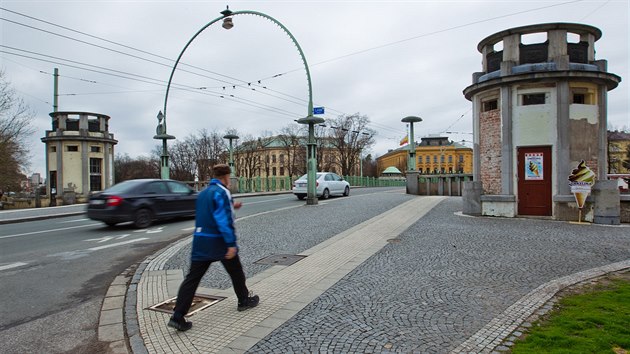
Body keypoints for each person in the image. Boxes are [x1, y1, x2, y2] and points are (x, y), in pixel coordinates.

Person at [168, 164, 259, 332]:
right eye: (229, 178)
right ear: (226, 177)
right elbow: (223, 220)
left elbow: (211, 211)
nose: (230, 182)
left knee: (192, 278)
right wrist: (231, 244)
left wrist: (232, 206)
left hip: (200, 241)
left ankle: (178, 316)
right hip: (219, 242)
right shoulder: (222, 192)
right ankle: (243, 300)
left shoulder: (203, 193)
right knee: (236, 271)